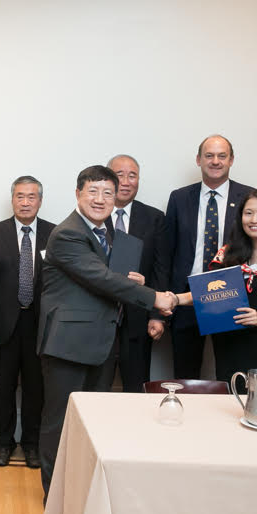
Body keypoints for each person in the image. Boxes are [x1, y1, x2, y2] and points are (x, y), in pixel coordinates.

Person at [37, 165, 177, 499]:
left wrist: (136, 283)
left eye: (108, 193)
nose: (100, 200)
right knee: (60, 421)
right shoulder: (67, 233)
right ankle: (54, 496)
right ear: (77, 194)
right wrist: (154, 296)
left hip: (101, 341)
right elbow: (100, 278)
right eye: (93, 192)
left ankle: (83, 488)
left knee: (94, 420)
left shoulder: (108, 233)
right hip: (67, 343)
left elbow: (109, 277)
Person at [174, 190, 257, 382]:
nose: (254, 219)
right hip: (229, 345)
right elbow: (207, 295)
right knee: (231, 401)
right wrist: (174, 298)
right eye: (248, 213)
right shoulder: (226, 256)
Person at [0, 176, 55, 468]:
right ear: (12, 200)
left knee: (37, 388)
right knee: (4, 385)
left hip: (40, 325)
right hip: (4, 325)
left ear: (40, 200)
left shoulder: (54, 233)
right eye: (20, 196)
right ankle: (3, 443)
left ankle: (32, 444)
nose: (25, 202)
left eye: (31, 197)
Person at [164, 135, 253, 379]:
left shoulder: (249, 197)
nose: (215, 161)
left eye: (222, 156)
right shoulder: (179, 198)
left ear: (231, 160)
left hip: (231, 295)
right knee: (185, 372)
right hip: (186, 297)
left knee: (231, 370)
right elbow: (167, 251)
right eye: (209, 155)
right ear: (198, 160)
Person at [102, 154, 168, 392]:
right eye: (120, 175)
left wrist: (157, 315)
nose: (126, 181)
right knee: (96, 390)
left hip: (139, 318)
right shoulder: (93, 215)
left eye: (133, 175)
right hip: (99, 318)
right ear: (108, 178)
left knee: (136, 388)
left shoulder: (154, 218)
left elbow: (161, 269)